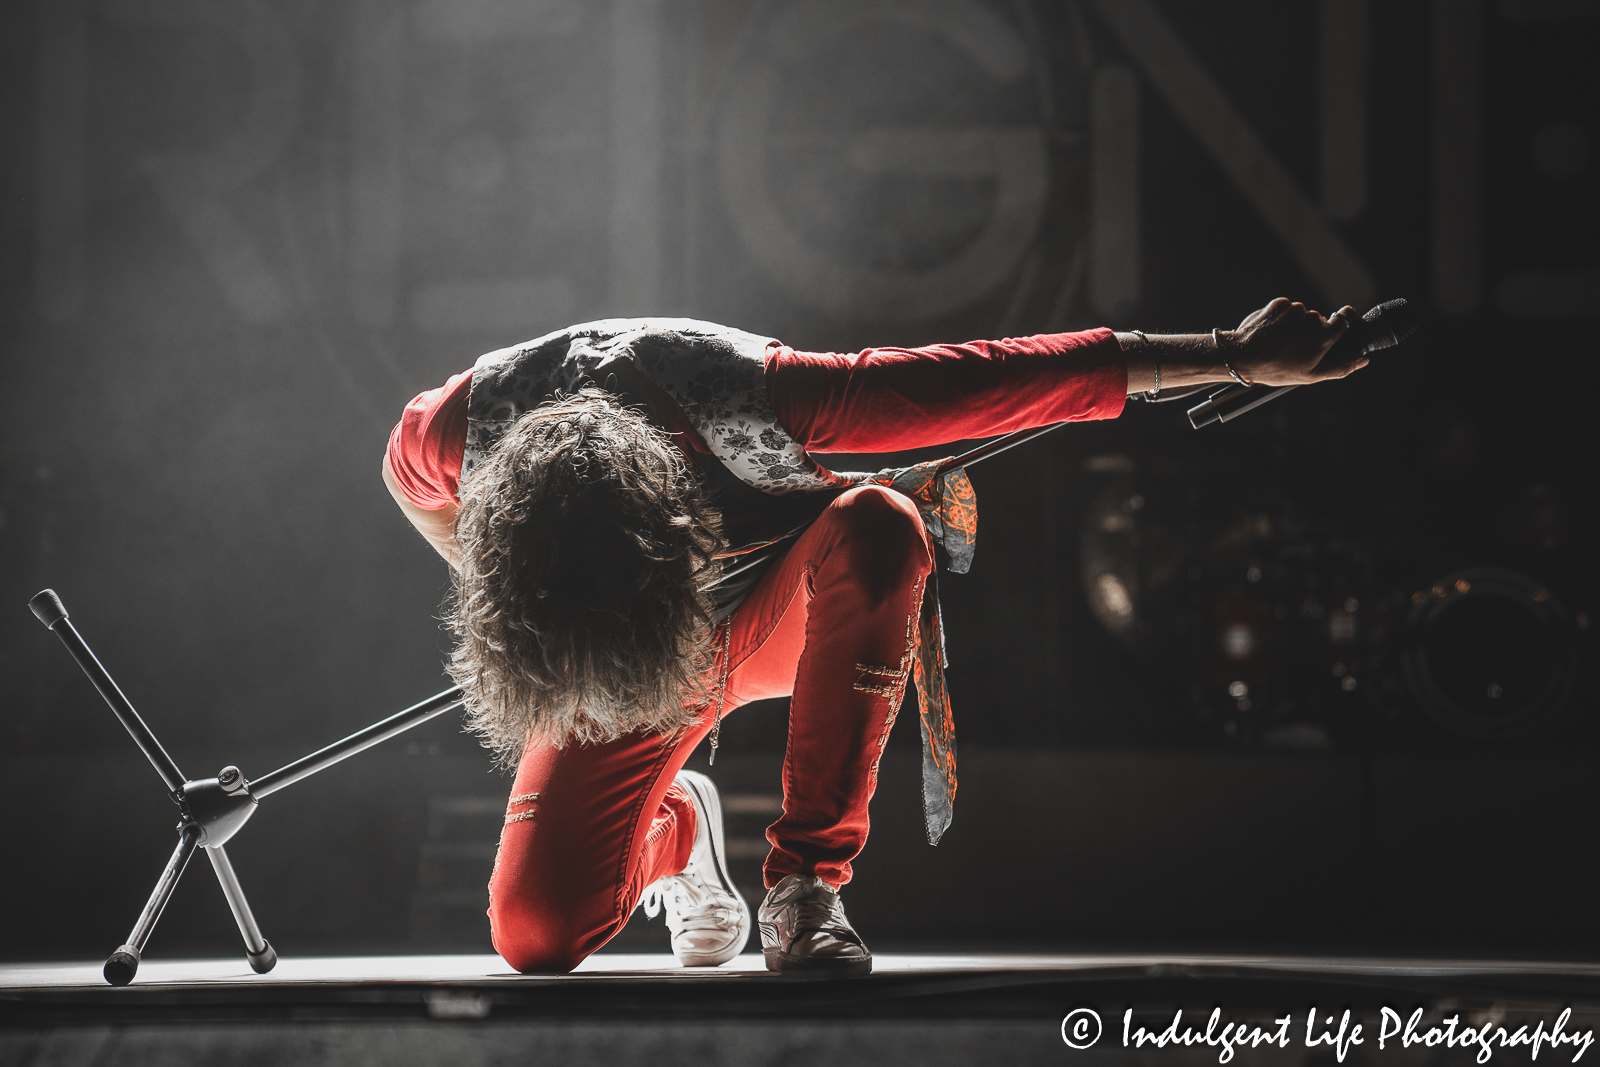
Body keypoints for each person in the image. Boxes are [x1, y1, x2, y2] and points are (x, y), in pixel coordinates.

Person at [382, 297, 1364, 976]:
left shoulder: (763, 402)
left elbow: (1015, 378)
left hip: (779, 612)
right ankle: (676, 826)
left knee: (881, 523)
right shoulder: (456, 431)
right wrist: (527, 606)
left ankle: (807, 882)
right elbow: (405, 487)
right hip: (623, 657)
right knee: (537, 933)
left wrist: (1231, 353)